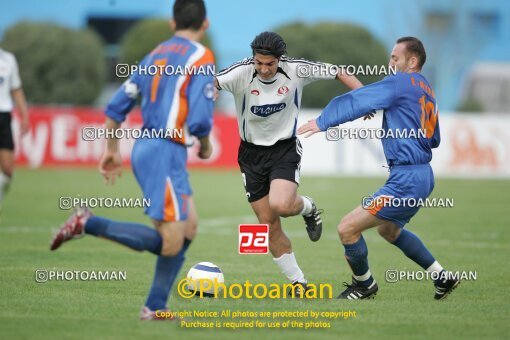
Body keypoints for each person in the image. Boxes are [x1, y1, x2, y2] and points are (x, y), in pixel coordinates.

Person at [50, 0, 215, 319]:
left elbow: (116, 106)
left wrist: (111, 149)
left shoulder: (154, 56)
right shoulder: (201, 56)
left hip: (150, 149)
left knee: (189, 227)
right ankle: (88, 223)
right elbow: (200, 119)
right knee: (171, 240)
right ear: (204, 25)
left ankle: (155, 306)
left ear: (172, 23)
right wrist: (205, 144)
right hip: (164, 151)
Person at [298, 36, 460, 300]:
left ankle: (364, 285)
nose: (390, 62)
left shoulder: (400, 82)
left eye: (395, 58)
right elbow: (435, 139)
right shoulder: (426, 88)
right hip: (423, 175)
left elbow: (360, 99)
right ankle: (442, 276)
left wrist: (323, 120)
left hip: (406, 179)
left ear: (413, 61)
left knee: (347, 228)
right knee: (389, 230)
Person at [215, 31, 363, 294]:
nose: (263, 69)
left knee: (282, 205)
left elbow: (339, 71)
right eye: (258, 63)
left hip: (284, 149)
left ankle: (308, 207)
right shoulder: (241, 72)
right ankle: (299, 283)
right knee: (268, 225)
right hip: (250, 155)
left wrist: (363, 98)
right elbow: (211, 84)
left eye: (269, 64)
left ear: (279, 60)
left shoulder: (297, 69)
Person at [0, 48, 29, 209]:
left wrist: (24, 115)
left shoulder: (8, 59)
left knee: (8, 170)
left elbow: (16, 89)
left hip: (3, 116)